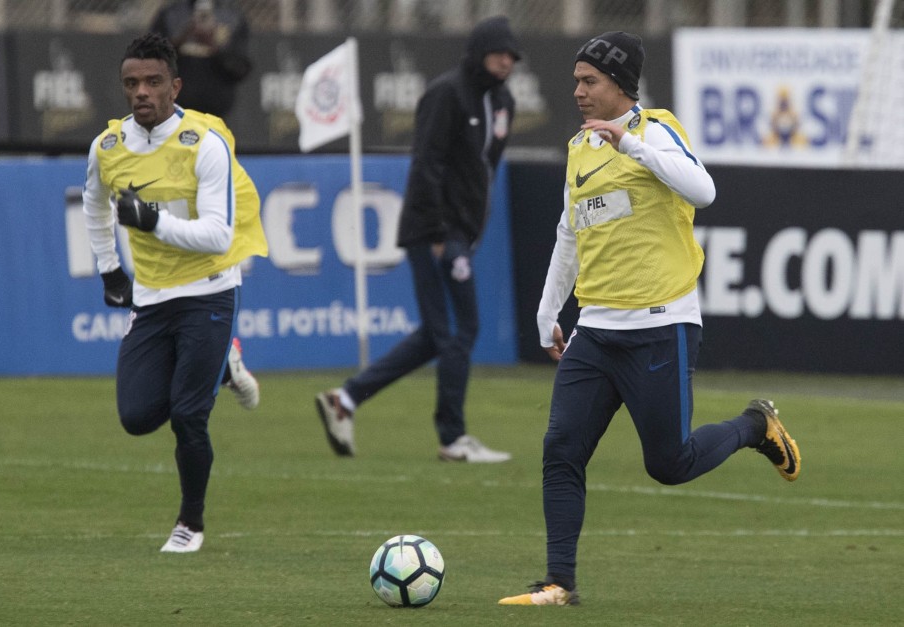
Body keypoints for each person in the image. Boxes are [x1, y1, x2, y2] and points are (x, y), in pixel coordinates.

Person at [498, 31, 801, 605]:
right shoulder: (578, 147)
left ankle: (754, 427)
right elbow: (570, 232)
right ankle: (560, 582)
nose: (579, 91)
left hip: (661, 327)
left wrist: (630, 146)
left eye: (589, 81)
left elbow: (704, 190)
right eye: (577, 81)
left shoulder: (654, 130)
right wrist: (547, 309)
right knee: (561, 449)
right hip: (595, 330)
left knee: (670, 464)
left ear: (619, 85)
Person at [82, 33, 268, 552]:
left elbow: (218, 234)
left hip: (210, 289)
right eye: (132, 83)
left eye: (153, 82)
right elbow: (93, 205)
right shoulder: (109, 147)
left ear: (175, 86)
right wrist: (109, 270)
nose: (141, 92)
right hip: (153, 295)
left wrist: (151, 220)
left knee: (188, 414)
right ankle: (223, 365)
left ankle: (191, 522)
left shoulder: (203, 144)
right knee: (136, 418)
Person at [314, 16, 520, 463]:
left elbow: (484, 171)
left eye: (512, 56)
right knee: (462, 330)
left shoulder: (503, 102)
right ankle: (453, 438)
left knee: (436, 334)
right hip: (435, 231)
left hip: (462, 231)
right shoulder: (446, 93)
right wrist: (441, 231)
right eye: (499, 52)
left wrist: (469, 230)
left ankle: (345, 399)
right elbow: (427, 164)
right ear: (479, 51)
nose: (506, 62)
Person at [149, 0, 252, 120]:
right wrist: (183, 37)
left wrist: (213, 46)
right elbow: (153, 59)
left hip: (217, 111)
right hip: (174, 110)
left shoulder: (232, 16)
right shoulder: (171, 14)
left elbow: (241, 67)